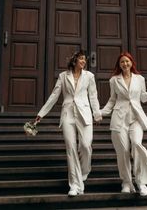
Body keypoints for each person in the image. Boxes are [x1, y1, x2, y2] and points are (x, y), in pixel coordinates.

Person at [33, 50, 102, 197]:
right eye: (81, 59)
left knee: (85, 145)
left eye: (85, 60)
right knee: (70, 149)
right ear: (74, 60)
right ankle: (74, 185)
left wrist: (97, 114)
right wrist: (41, 113)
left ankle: (83, 172)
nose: (84, 61)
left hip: (85, 114)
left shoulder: (90, 76)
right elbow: (54, 96)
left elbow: (93, 96)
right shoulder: (63, 76)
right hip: (68, 115)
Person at [100, 51, 147, 196]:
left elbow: (144, 97)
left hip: (135, 118)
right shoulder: (114, 80)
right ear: (119, 64)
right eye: (122, 62)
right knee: (123, 152)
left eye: (127, 61)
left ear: (131, 63)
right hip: (119, 119)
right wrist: (100, 113)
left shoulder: (139, 79)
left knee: (136, 144)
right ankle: (126, 182)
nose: (125, 64)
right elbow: (111, 100)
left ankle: (141, 182)